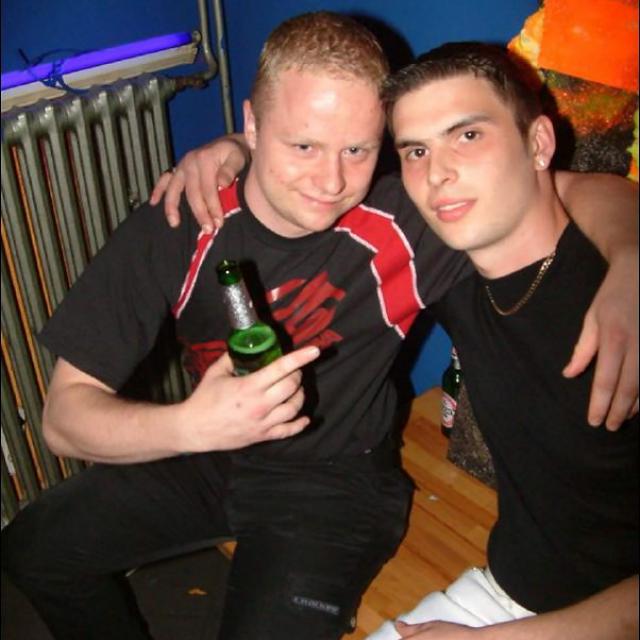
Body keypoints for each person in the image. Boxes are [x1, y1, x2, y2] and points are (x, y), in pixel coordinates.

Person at [1, 12, 636, 640]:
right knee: (33, 549)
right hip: (207, 452)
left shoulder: (415, 214)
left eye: (357, 149)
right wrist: (192, 425)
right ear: (252, 126)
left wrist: (632, 255)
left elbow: (559, 187)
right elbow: (64, 419)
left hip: (334, 483)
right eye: (303, 146)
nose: (331, 182)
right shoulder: (182, 219)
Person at [362, 42, 638, 639]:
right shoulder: (447, 261)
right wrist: (230, 151)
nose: (437, 174)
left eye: (467, 136)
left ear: (539, 143)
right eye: (416, 150)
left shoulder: (621, 310)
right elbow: (314, 172)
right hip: (509, 595)